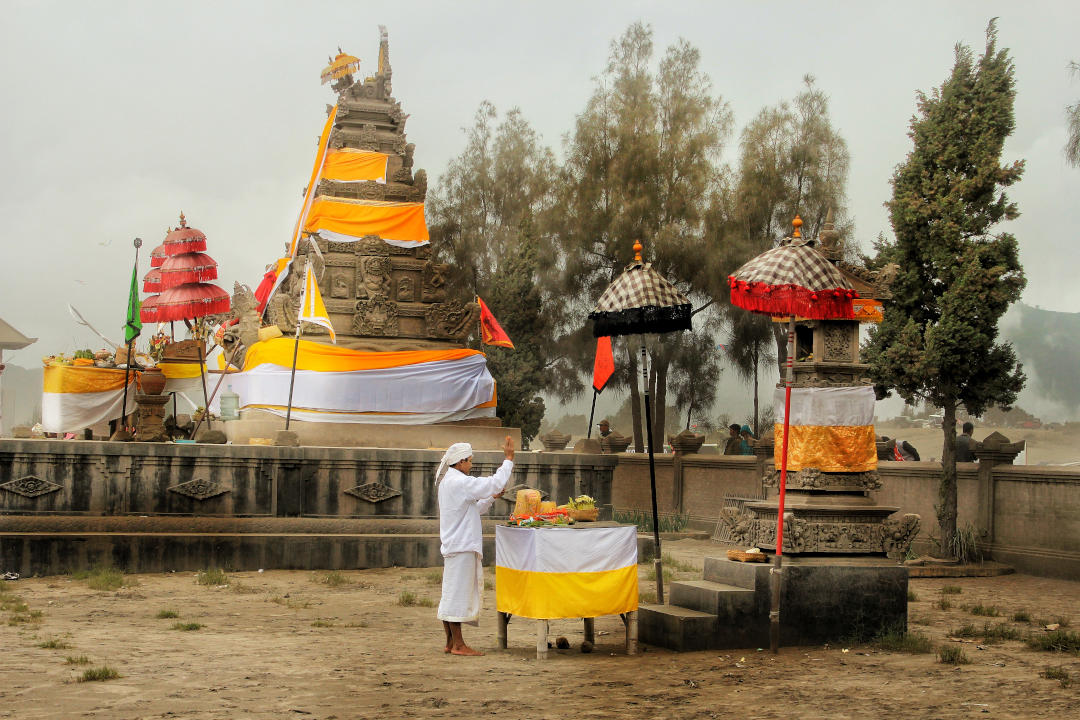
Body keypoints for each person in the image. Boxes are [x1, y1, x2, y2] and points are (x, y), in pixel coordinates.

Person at [436, 436, 515, 656]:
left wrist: (491, 498)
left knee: (451, 593)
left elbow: (472, 509)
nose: (471, 465)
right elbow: (492, 483)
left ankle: (451, 642)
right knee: (457, 595)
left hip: (457, 544)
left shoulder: (450, 482)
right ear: (460, 462)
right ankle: (458, 645)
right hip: (461, 546)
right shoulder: (459, 482)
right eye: (469, 460)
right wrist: (508, 460)